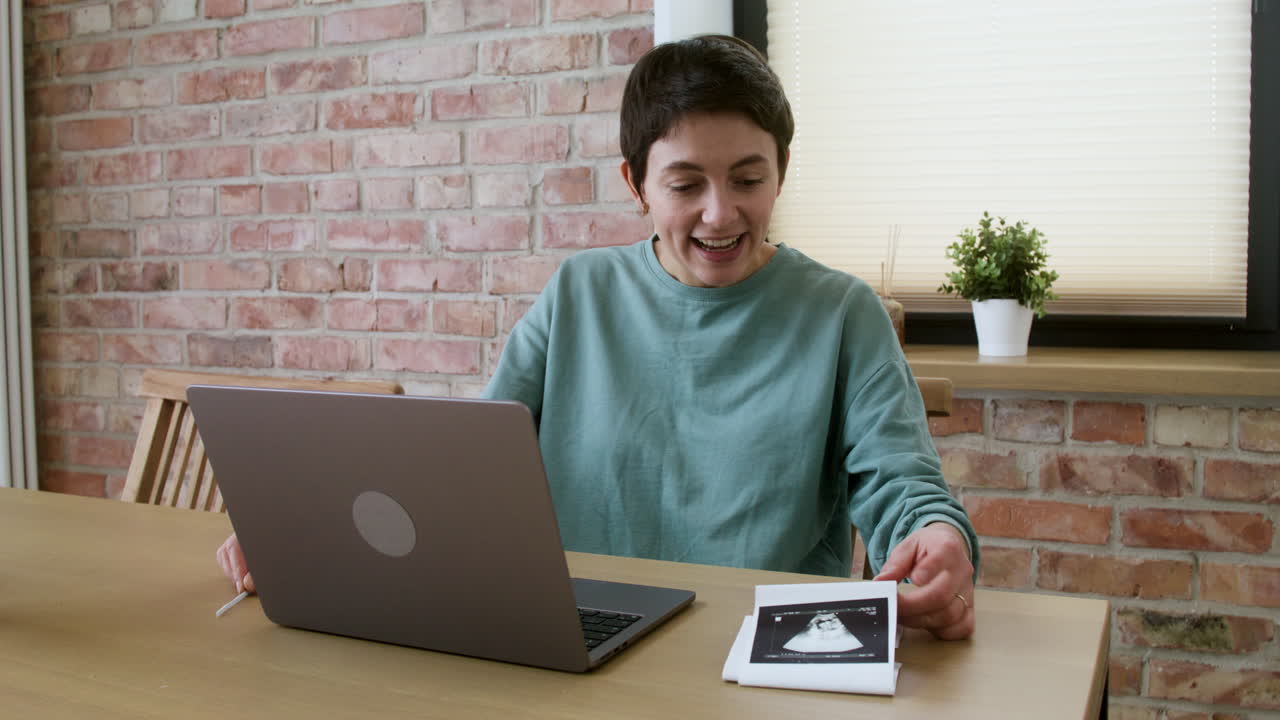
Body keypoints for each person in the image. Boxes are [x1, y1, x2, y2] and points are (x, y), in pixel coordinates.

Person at [219, 34, 979, 641]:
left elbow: (903, 486)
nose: (720, 213)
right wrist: (305, 541)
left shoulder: (842, 312)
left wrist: (937, 539)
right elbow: (466, 469)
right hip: (577, 628)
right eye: (685, 186)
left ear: (781, 171)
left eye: (748, 179)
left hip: (760, 647)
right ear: (635, 185)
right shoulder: (579, 293)